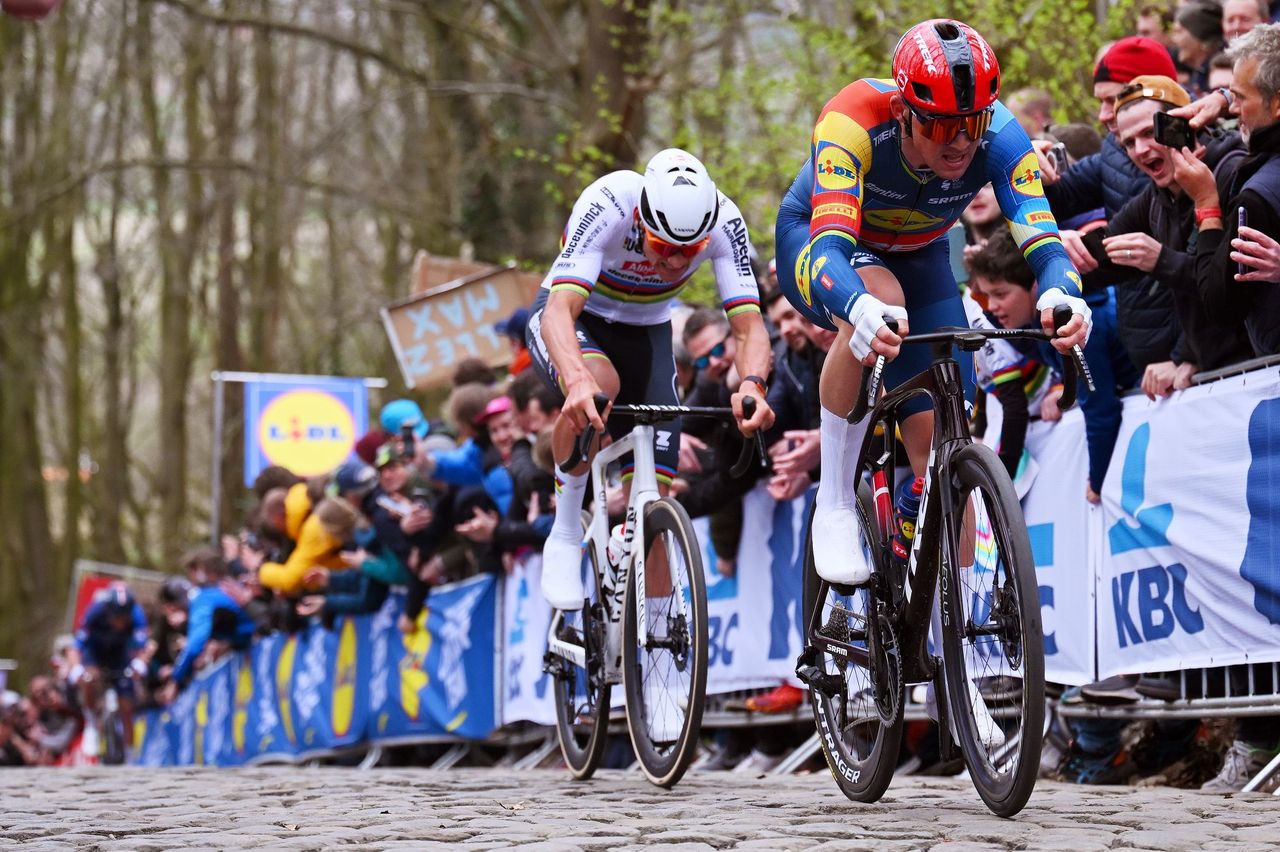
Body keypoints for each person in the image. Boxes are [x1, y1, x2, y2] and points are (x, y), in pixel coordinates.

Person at [774, 18, 1089, 589]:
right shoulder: (852, 120)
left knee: (948, 454)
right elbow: (829, 250)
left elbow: (1043, 242)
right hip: (827, 246)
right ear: (903, 111)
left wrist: (1064, 291)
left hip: (921, 262)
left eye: (972, 122)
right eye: (944, 125)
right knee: (879, 298)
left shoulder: (1002, 136)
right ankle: (837, 501)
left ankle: (945, 648)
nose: (963, 142)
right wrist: (856, 305)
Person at [527, 147, 774, 610]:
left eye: (691, 252)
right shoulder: (610, 204)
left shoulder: (724, 221)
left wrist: (752, 385)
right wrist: (576, 378)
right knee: (600, 386)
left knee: (654, 502)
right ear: (642, 222)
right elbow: (559, 310)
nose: (679, 264)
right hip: (579, 320)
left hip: (648, 334)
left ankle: (661, 637)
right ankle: (563, 533)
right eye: (665, 248)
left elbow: (748, 327)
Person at [1178, 23, 1280, 356]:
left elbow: (1220, 306)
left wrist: (1206, 203)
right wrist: (1222, 97)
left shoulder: (1257, 196)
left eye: (1239, 98)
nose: (1232, 111)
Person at [66, 582, 150, 751]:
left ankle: (129, 753)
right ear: (108, 611)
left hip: (120, 655)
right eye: (117, 617)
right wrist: (76, 669)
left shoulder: (137, 614)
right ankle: (91, 720)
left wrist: (141, 663)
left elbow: (146, 647)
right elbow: (74, 647)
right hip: (95, 654)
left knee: (127, 705)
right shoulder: (95, 612)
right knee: (88, 679)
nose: (121, 622)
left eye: (124, 618)